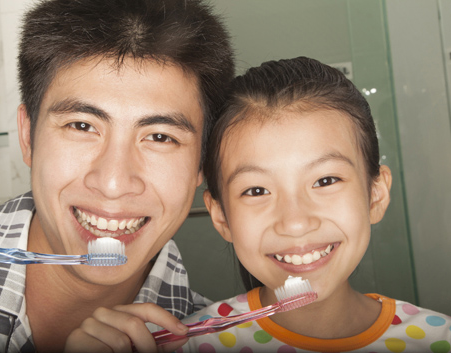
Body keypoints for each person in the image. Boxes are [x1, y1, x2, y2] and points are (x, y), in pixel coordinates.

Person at [0, 0, 234, 352]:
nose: (113, 183)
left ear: (201, 165)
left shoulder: (215, 341)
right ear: (28, 137)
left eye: (160, 137)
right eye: (82, 126)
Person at [177, 57, 451, 352]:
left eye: (325, 181)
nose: (295, 222)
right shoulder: (185, 345)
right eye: (256, 190)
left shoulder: (439, 340)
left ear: (376, 195)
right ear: (220, 217)